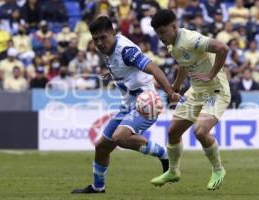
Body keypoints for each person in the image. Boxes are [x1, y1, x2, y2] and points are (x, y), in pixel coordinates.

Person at [72, 16, 180, 194]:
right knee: (101, 147)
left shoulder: (126, 51)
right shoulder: (109, 51)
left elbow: (153, 68)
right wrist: (112, 73)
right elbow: (123, 67)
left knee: (120, 137)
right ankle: (98, 187)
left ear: (113, 34)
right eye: (95, 39)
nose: (99, 43)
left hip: (147, 102)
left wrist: (169, 92)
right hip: (128, 104)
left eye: (103, 37)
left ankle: (165, 155)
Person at [150, 9, 231, 190]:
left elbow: (223, 49)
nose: (160, 37)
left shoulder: (190, 39)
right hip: (196, 91)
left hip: (216, 91)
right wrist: (176, 85)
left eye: (162, 32)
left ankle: (218, 170)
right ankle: (173, 171)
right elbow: (184, 63)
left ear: (174, 26)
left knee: (201, 131)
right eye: (157, 34)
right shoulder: (172, 44)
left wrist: (211, 74)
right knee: (172, 132)